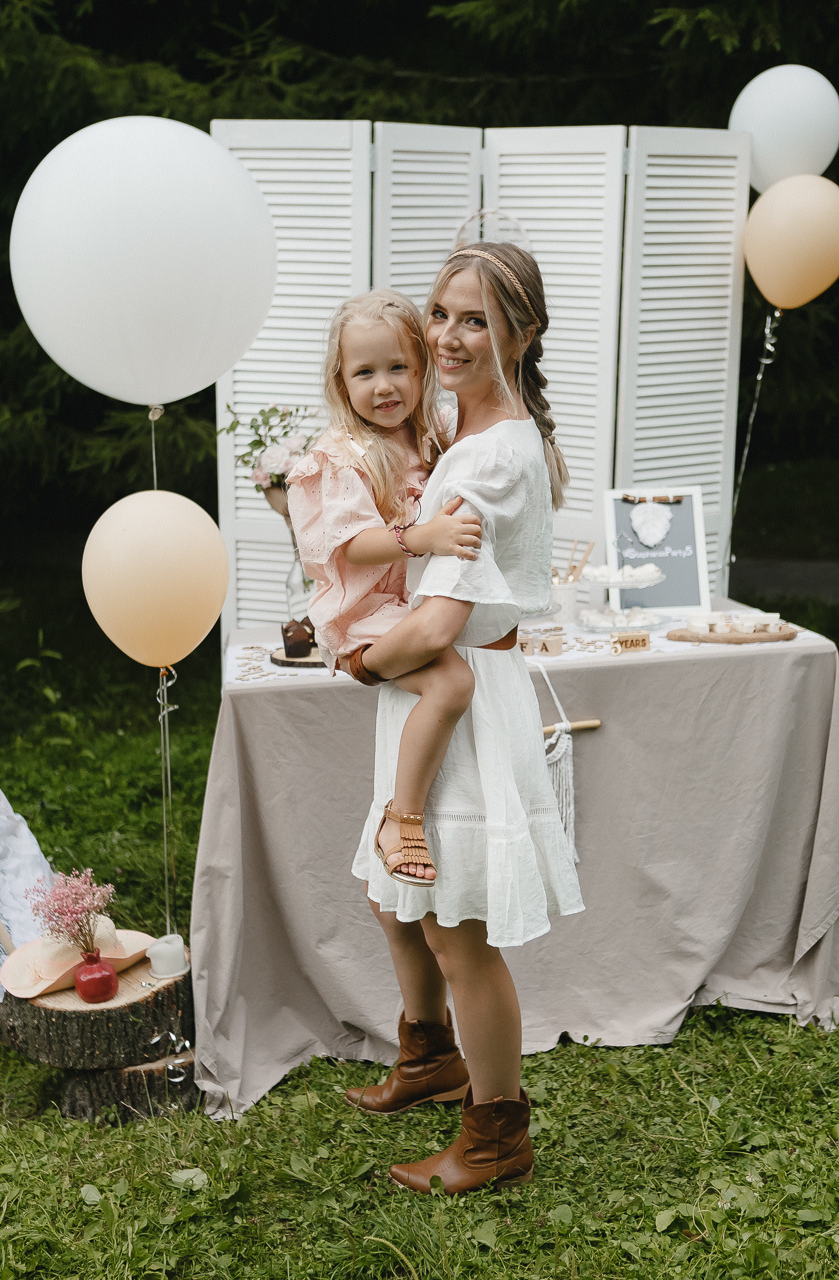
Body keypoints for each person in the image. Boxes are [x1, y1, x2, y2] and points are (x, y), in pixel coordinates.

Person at [343, 243, 585, 1194]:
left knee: (460, 932)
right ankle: (430, 1055)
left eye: (474, 319)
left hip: (463, 702)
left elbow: (439, 623)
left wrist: (361, 657)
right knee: (393, 892)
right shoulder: (459, 425)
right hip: (437, 694)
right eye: (440, 312)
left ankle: (495, 1134)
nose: (445, 335)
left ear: (520, 333)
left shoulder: (490, 458)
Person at [287, 290, 483, 886]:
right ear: (341, 382)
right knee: (453, 683)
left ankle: (376, 669)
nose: (385, 386)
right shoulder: (341, 454)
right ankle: (404, 818)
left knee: (460, 674)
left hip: (416, 607)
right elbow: (350, 544)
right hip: (366, 612)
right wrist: (422, 536)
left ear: (424, 371)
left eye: (399, 367)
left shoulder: (431, 437)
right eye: (364, 372)